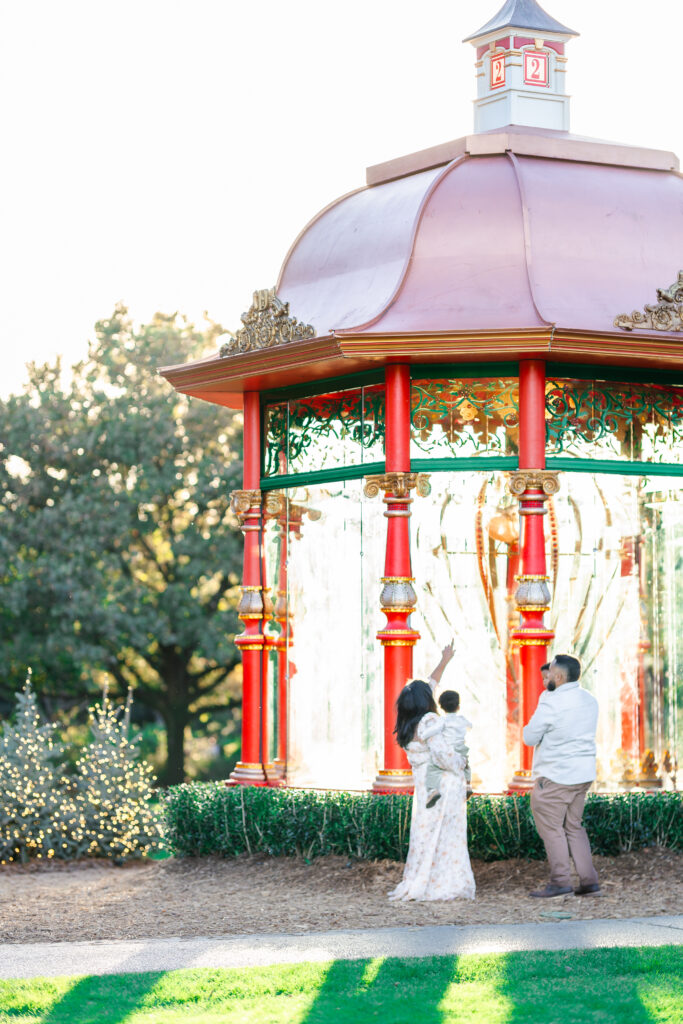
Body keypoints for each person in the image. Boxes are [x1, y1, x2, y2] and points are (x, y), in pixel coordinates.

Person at [388, 643, 475, 902]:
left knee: (424, 835)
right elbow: (442, 755)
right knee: (447, 836)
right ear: (427, 702)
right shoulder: (430, 721)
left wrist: (444, 660)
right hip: (444, 784)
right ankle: (444, 884)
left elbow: (429, 684)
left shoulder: (406, 726)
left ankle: (419, 880)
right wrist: (462, 763)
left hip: (424, 787)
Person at [523, 654, 601, 899]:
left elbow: (529, 737)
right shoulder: (590, 700)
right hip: (583, 775)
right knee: (574, 827)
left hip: (557, 776)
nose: (546, 677)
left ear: (558, 676)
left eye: (550, 672)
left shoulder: (551, 701)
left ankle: (560, 882)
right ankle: (589, 882)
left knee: (552, 828)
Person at [425, 690, 472, 808]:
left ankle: (432, 790)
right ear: (458, 706)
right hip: (461, 750)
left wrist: (423, 735)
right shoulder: (462, 719)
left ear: (441, 707)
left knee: (432, 766)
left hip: (448, 752)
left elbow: (432, 731)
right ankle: (468, 786)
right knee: (466, 765)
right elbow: (470, 726)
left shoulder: (442, 721)